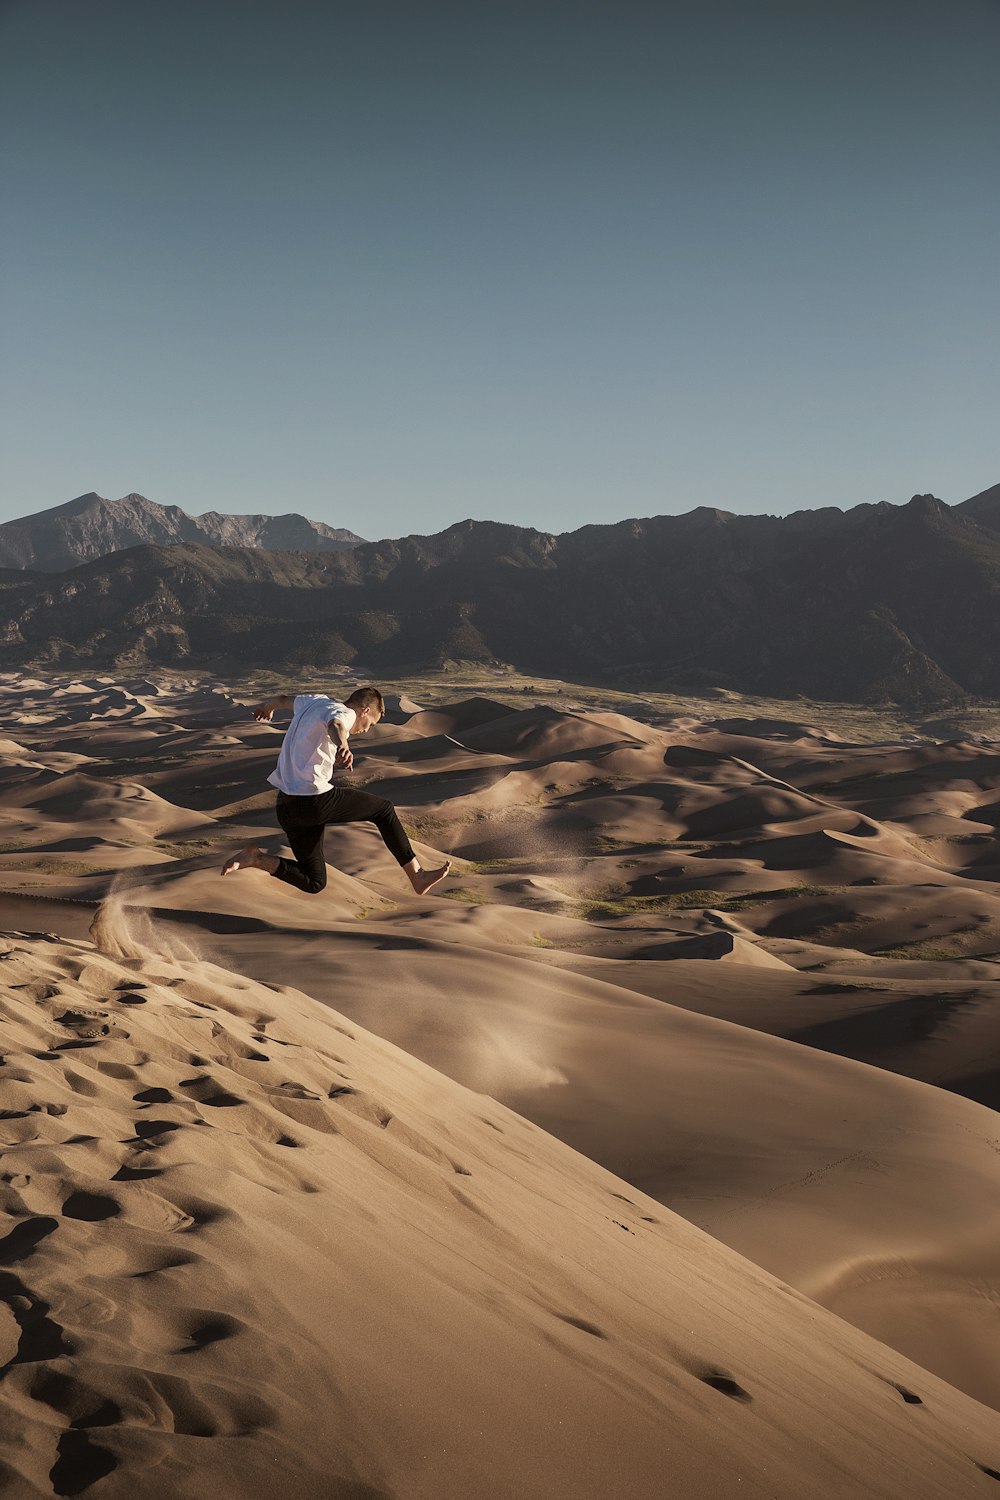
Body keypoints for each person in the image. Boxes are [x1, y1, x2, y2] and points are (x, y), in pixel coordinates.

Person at [221, 686, 450, 896]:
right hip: (314, 802)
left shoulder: (314, 701)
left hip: (287, 806)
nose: (365, 729)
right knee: (384, 810)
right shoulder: (346, 713)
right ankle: (417, 876)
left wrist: (267, 708)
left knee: (314, 881)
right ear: (365, 710)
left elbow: (282, 699)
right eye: (370, 723)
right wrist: (343, 746)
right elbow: (336, 725)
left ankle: (256, 858)